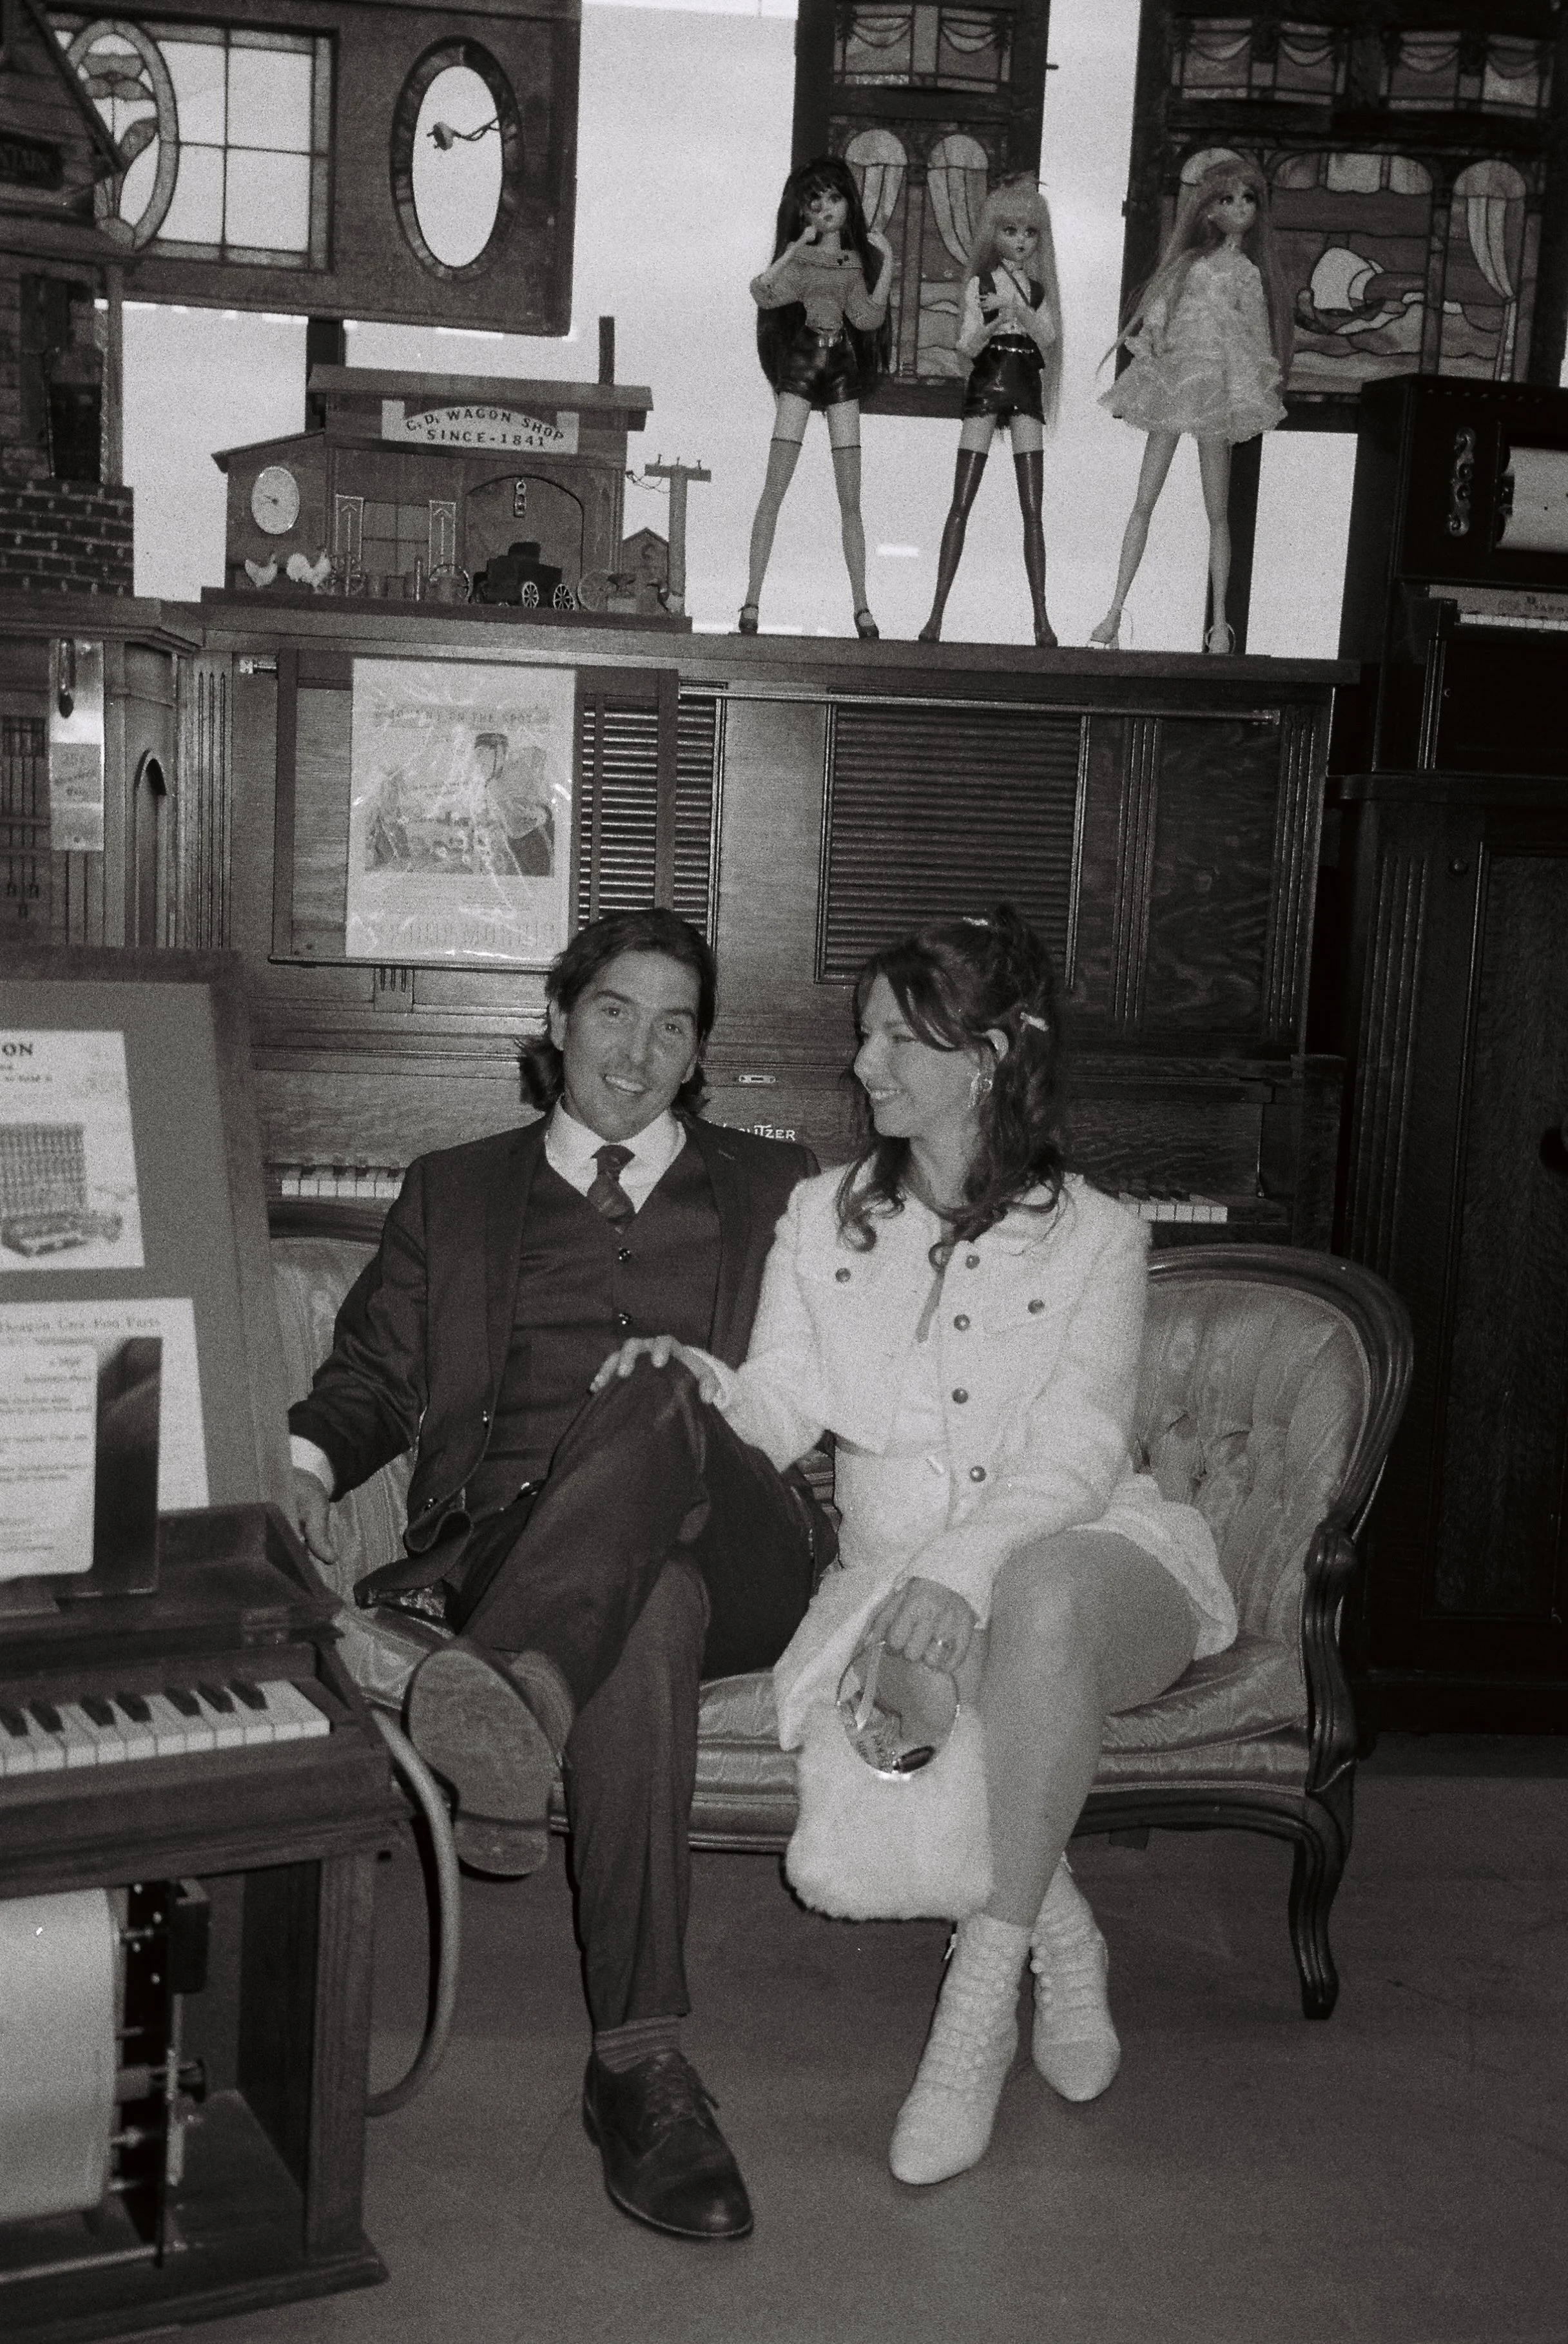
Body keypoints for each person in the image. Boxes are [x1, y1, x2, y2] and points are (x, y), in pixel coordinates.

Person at [594, 906, 1236, 2185]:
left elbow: (1076, 1453)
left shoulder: (1099, 1234)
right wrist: (694, 1390)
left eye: (897, 1039)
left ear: (989, 1057)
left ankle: (970, 2010)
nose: (865, 1066)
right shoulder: (821, 1214)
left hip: (1094, 1554)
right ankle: (1058, 1933)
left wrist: (959, 1572)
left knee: (1039, 1600)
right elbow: (780, 1407)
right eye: (865, 1037)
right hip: (890, 1576)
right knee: (928, 1707)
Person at [287, 907, 830, 2243]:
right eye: (613, 1012)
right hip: (513, 1558)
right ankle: (639, 2064)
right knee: (639, 1609)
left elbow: (837, 1391)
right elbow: (371, 1380)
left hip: (740, 1530)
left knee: (658, 1392)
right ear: (556, 1018)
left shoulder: (780, 1187)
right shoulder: (456, 1189)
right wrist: (302, 1467)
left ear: (697, 1053)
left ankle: (513, 1703)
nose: (639, 1050)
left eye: (674, 1025)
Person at [1089, 159, 1292, 652]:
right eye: (1228, 199)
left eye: (1246, 200)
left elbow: (1257, 335)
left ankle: (1219, 623)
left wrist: (1251, 377)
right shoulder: (1189, 263)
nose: (1239, 208)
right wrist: (1155, 336)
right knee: (1144, 499)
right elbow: (1159, 308)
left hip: (1215, 387)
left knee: (1217, 510)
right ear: (1208, 209)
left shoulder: (1246, 271)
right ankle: (1114, 609)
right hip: (1180, 376)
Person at [742, 155, 894, 641]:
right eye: (815, 203)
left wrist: (887, 263)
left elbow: (868, 317)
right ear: (802, 214)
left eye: (833, 198)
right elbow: (763, 292)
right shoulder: (803, 262)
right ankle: (750, 600)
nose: (826, 210)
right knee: (774, 488)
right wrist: (790, 250)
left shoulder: (851, 263)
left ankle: (862, 606)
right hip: (804, 363)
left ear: (848, 202)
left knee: (851, 497)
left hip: (841, 367)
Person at [919, 177, 1063, 648]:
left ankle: (1041, 618)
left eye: (1029, 232)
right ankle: (935, 614)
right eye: (1010, 230)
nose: (1020, 241)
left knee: (1033, 509)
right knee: (959, 502)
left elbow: (1047, 337)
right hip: (988, 377)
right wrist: (993, 320)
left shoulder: (1037, 290)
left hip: (1023, 378)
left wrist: (1012, 307)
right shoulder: (979, 284)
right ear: (993, 233)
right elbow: (964, 343)